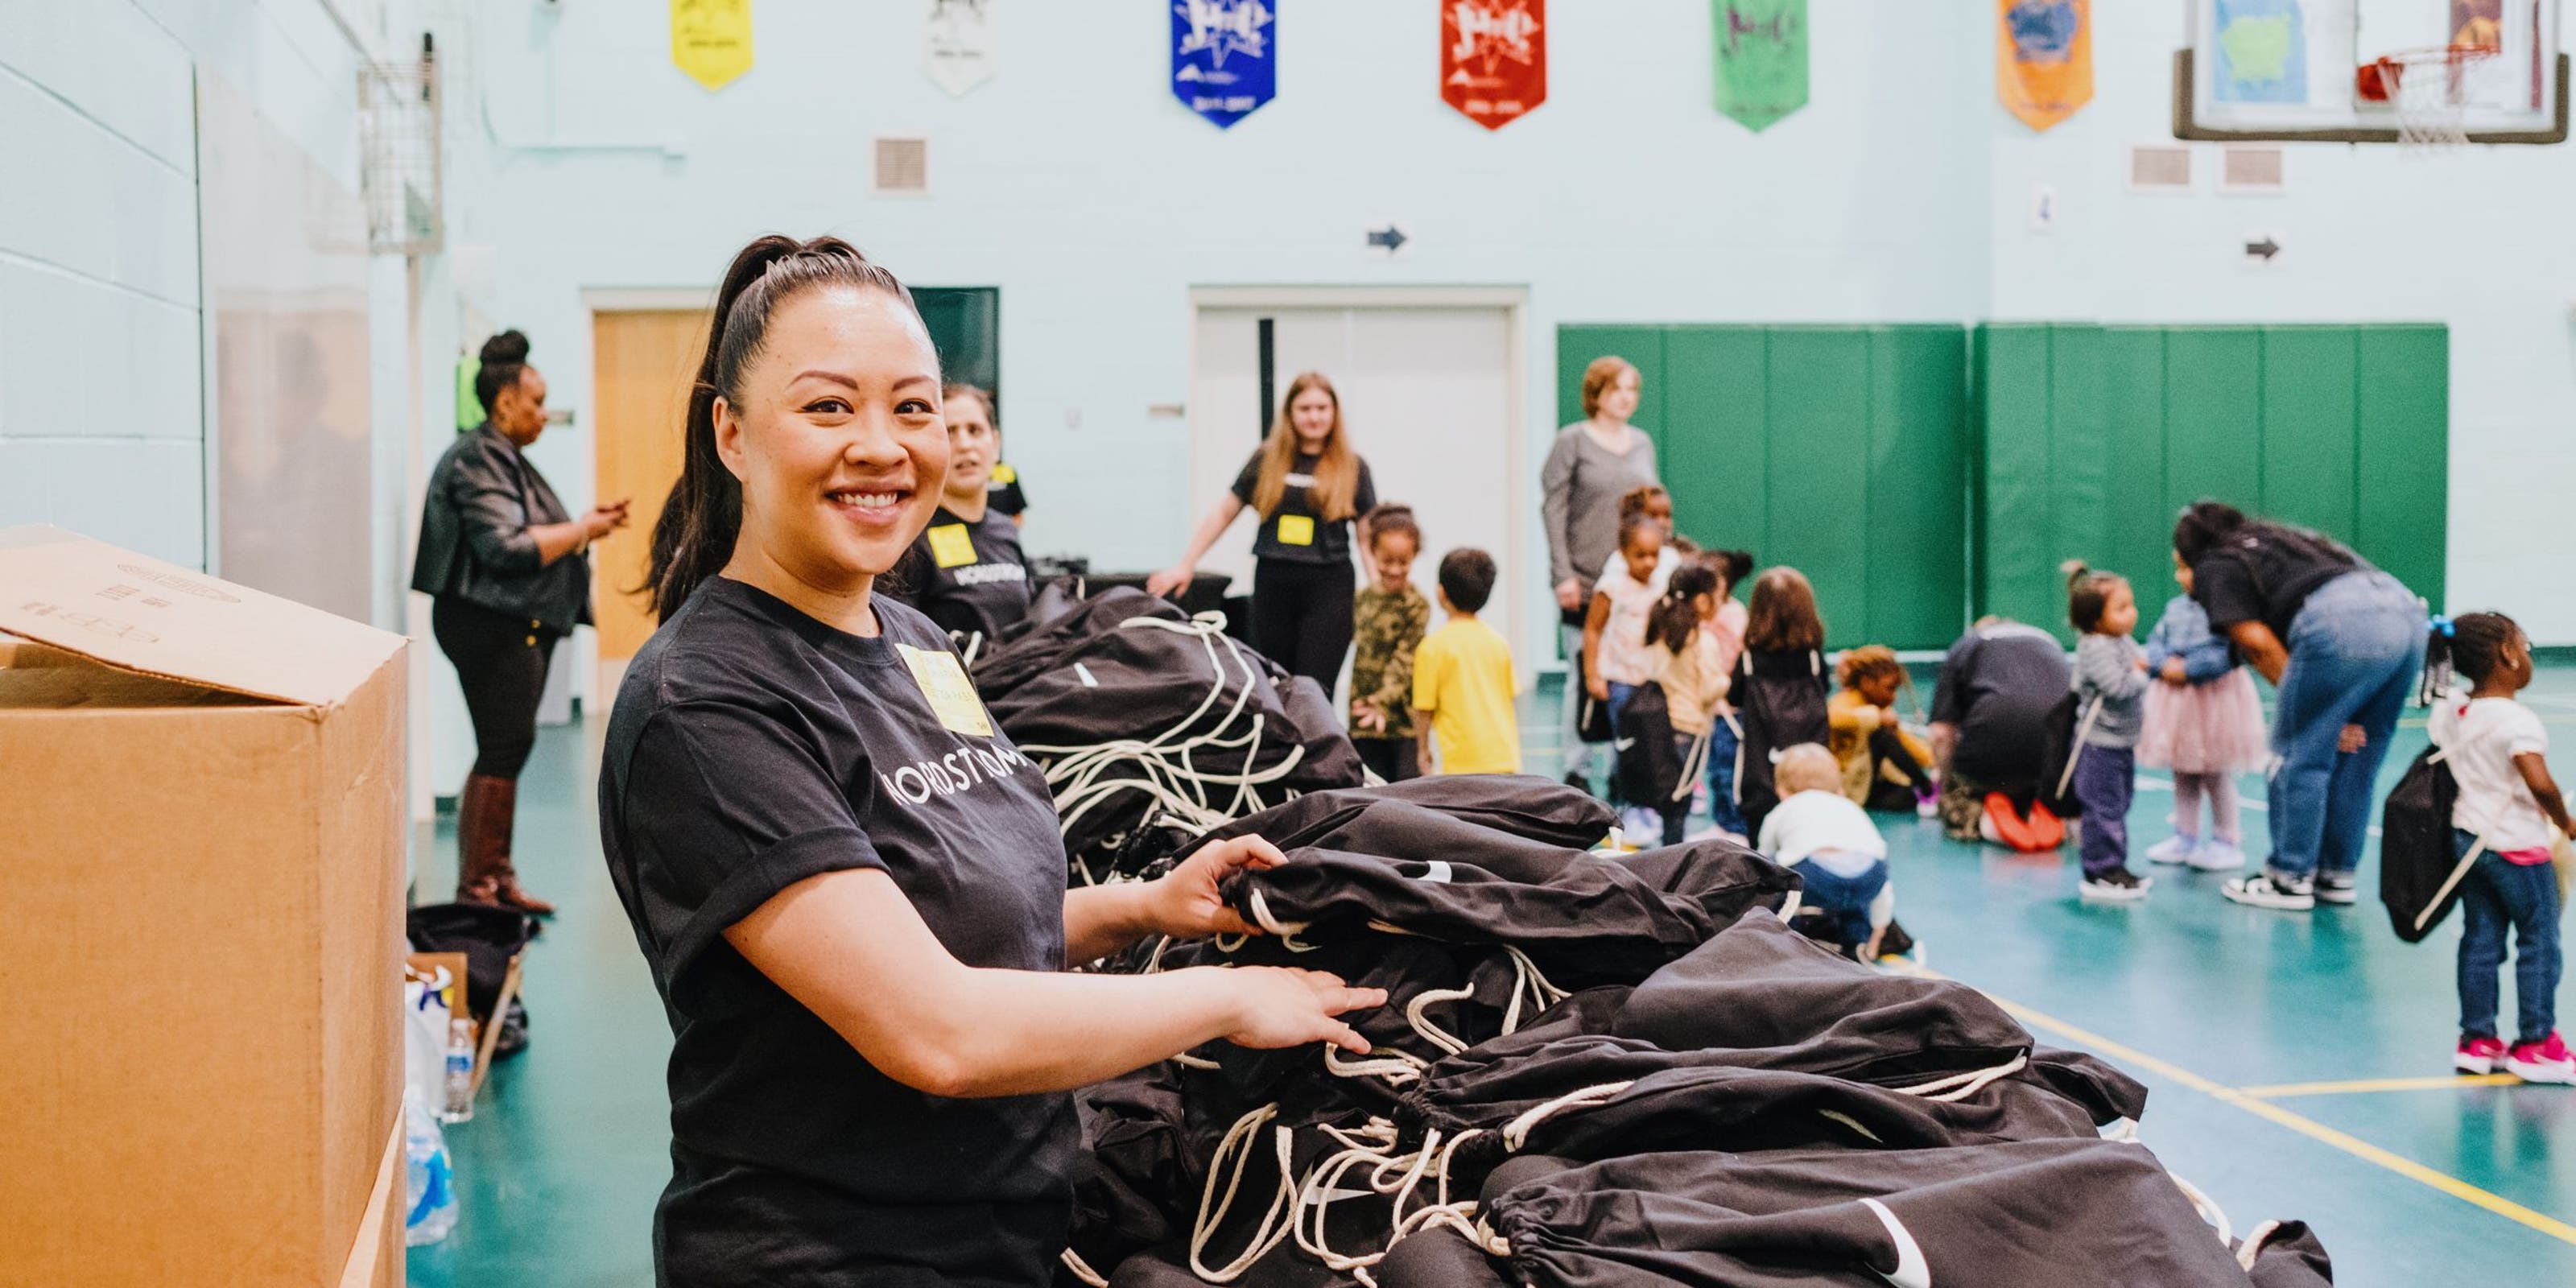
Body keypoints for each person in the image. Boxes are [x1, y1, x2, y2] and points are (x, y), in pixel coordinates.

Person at [604, 237, 1384, 1286]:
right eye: (829, 407)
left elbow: (957, 918)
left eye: (912, 407)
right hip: (837, 1255)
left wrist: (1145, 906)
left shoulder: (917, 646)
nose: (881, 445)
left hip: (1008, 1230)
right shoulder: (707, 703)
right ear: (732, 435)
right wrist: (1230, 1000)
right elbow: (938, 1027)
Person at [411, 328, 629, 914]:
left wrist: (584, 523)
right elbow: (505, 548)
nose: (542, 414)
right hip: (490, 626)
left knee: (508, 747)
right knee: (503, 747)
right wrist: (583, 530)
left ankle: (495, 879)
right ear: (505, 402)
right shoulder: (479, 458)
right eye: (535, 402)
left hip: (509, 625)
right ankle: (479, 888)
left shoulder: (501, 458)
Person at [2169, 502, 2426, 911]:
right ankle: (2336, 875)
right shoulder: (2286, 541)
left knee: (2299, 757)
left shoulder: (2217, 563)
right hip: (2407, 617)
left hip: (2341, 624)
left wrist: (2309, 706)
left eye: (2178, 564)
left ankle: (2288, 878)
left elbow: (2255, 642)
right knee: (2359, 759)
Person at [1148, 373, 1377, 691]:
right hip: (1274, 581)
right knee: (1274, 681)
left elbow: (1367, 539)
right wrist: (1186, 564)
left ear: (1334, 413)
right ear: (1290, 414)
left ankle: (1315, 740)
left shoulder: (1353, 467)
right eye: (1305, 408)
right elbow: (1224, 513)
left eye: (1322, 408)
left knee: (1314, 686)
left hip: (1330, 586)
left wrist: (1380, 593)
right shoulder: (1267, 459)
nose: (1314, 416)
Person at [2425, 612, 2573, 1084]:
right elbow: (2539, 782)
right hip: (2516, 846)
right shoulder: (2516, 721)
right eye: (2525, 647)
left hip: (2469, 840)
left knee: (2481, 939)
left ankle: (2477, 1039)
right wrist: (2564, 821)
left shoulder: (2453, 710)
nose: (2528, 657)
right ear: (2508, 656)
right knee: (2539, 940)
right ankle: (2535, 1042)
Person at [1541, 357, 1661, 792]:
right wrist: (1562, 575)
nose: (1626, 398)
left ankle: (1621, 765)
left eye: (1632, 390)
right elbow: (1553, 509)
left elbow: (1651, 511)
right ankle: (1577, 769)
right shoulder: (1572, 441)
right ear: (1597, 394)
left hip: (1633, 583)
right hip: (1587, 580)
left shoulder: (1643, 443)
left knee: (1626, 674)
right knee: (1583, 673)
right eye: (1617, 389)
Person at [2138, 552, 2268, 872]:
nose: (2179, 577)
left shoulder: (2226, 610)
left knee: (2216, 772)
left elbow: (2228, 654)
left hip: (2216, 703)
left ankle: (2227, 840)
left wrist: (2190, 668)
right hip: (2179, 703)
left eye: (2186, 568)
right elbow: (2155, 643)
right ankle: (2185, 836)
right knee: (2183, 771)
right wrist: (2163, 664)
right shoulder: (2175, 608)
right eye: (2178, 569)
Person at [890, 382, 1030, 646]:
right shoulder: (909, 537)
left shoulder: (1006, 530)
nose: (965, 445)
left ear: (995, 443)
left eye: (975, 430)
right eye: (950, 432)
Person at [1929, 617, 2074, 846]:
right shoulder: (2050, 642)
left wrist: (1945, 782)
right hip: (2055, 762)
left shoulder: (1966, 646)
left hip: (1992, 759)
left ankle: (1981, 818)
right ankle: (2047, 811)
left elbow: (1940, 733)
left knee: (1958, 794)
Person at [2066, 561, 2153, 902]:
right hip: (2099, 745)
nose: (2131, 614)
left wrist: (2139, 667)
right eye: (2121, 609)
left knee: (2117, 804)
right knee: (2103, 808)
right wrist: (2141, 674)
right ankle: (2101, 870)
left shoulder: (2119, 640)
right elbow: (2119, 686)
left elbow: (2139, 661)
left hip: (2120, 743)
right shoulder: (2095, 646)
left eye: (2131, 605)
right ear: (2095, 619)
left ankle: (2115, 866)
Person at [1759, 745, 1895, 961]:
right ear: (1839, 788)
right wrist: (1879, 928)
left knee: (1773, 871)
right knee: (1855, 897)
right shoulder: (1850, 807)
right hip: (1870, 875)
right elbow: (1883, 882)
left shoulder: (1783, 810)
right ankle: (1857, 944)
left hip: (1816, 877)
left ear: (1782, 791)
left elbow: (1763, 861)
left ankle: (1780, 937)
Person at [1584, 514, 1675, 821]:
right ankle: (1625, 806)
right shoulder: (1611, 587)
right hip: (1620, 679)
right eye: (1641, 555)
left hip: (1652, 679)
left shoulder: (1662, 585)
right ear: (1623, 554)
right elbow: (1593, 630)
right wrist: (1592, 674)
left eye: (1655, 555)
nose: (1649, 562)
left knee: (1654, 745)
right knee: (1626, 746)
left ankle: (1649, 805)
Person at [1732, 568, 1832, 837]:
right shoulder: (1812, 660)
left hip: (1761, 774)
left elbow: (1733, 696)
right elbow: (1827, 688)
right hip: (1810, 776)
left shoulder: (1749, 661)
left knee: (1760, 842)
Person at [1412, 548, 1520, 776]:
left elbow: (1424, 709)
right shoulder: (1498, 642)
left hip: (1458, 765)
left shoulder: (1432, 647)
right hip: (1504, 758)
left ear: (1441, 593)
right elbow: (1510, 700)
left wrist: (1422, 750)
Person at [1643, 562, 1726, 845]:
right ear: (1703, 600)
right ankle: (1673, 863)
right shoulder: (1703, 642)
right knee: (1680, 803)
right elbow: (1708, 690)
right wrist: (1728, 681)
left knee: (1670, 804)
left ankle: (1667, 853)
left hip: (1661, 725)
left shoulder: (1660, 631)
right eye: (1718, 596)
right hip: (1689, 729)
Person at [1348, 505, 1430, 783]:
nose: (1395, 570)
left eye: (1403, 562)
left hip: (1403, 720)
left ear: (1415, 555)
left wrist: (1381, 701)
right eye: (1387, 561)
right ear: (1372, 553)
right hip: (1364, 717)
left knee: (1407, 792)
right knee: (1371, 789)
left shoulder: (1416, 605)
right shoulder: (1362, 600)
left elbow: (1405, 661)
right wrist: (1367, 704)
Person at [1829, 646, 1937, 815]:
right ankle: (1928, 789)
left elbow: (1905, 743)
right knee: (1883, 736)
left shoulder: (1877, 709)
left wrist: (1935, 759)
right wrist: (1877, 717)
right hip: (1847, 786)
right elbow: (1834, 718)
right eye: (1889, 688)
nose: (1893, 696)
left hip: (1870, 782)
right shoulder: (1845, 702)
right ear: (1867, 683)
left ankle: (1926, 788)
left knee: (1907, 796)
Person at [1699, 549, 1757, 840]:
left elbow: (1741, 658)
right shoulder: (1703, 615)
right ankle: (1722, 822)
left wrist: (1728, 694)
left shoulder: (1732, 614)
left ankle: (1735, 826)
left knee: (1727, 768)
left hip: (1729, 709)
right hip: (1710, 706)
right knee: (1714, 768)